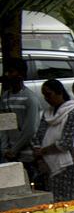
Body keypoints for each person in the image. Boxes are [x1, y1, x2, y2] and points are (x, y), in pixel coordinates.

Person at [33, 79, 74, 202]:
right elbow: (38, 136)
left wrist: (43, 151)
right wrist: (40, 157)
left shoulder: (73, 112)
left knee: (68, 201)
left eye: (49, 94)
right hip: (48, 164)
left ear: (59, 92)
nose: (46, 98)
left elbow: (66, 142)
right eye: (44, 95)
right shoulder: (47, 113)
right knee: (53, 201)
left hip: (67, 165)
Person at [1, 57, 42, 189]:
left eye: (11, 72)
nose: (8, 75)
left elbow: (30, 129)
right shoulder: (6, 97)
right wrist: (5, 149)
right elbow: (4, 125)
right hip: (9, 155)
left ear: (20, 74)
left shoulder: (30, 98)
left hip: (26, 155)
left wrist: (14, 150)